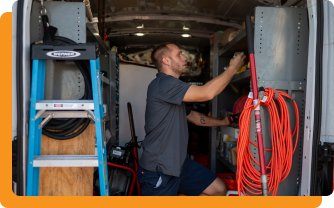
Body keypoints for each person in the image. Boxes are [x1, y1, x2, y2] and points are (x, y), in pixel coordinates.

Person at [137, 42, 246, 196]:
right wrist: (233, 68)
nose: (184, 58)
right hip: (159, 169)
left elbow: (194, 117)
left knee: (218, 189)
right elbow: (207, 93)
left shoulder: (174, 90)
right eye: (179, 54)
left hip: (180, 164)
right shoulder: (164, 83)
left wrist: (222, 122)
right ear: (166, 61)